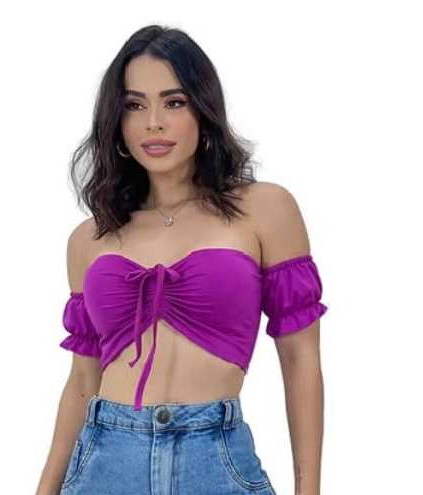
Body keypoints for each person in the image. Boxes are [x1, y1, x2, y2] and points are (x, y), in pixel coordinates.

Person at [36, 24, 328, 495]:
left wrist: (308, 489)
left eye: (173, 102)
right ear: (116, 121)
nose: (153, 122)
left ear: (203, 110)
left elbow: (300, 359)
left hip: (215, 462)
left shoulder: (266, 210)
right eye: (134, 105)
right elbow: (83, 381)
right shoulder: (90, 239)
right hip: (105, 466)